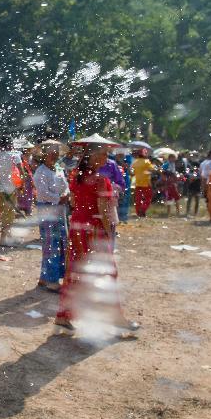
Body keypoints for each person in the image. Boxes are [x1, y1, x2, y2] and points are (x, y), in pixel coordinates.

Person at [54, 144, 139, 338]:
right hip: (94, 229)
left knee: (75, 272)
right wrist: (110, 233)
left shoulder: (76, 176)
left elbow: (74, 203)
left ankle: (63, 315)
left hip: (77, 227)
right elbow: (104, 211)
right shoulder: (101, 181)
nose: (105, 158)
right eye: (102, 155)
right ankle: (115, 319)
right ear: (92, 157)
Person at [33, 141, 69, 291]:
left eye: (56, 151)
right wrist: (58, 198)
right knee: (51, 244)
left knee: (60, 242)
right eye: (51, 151)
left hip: (59, 208)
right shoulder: (41, 171)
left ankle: (44, 277)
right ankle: (52, 280)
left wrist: (66, 193)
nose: (54, 154)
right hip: (47, 209)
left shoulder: (58, 169)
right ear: (44, 154)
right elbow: (42, 192)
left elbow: (65, 185)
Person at [0, 136, 23, 247]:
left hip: (0, 188)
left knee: (5, 213)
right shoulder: (15, 155)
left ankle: (7, 237)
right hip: (11, 188)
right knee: (9, 215)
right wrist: (21, 186)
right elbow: (22, 172)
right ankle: (3, 239)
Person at [130, 148, 156, 218]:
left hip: (137, 183)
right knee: (148, 198)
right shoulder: (146, 161)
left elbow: (132, 172)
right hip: (146, 183)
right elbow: (153, 169)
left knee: (138, 199)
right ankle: (143, 210)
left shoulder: (135, 162)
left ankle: (138, 212)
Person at [114, 149, 132, 223]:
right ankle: (117, 217)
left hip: (124, 179)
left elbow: (127, 167)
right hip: (116, 179)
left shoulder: (127, 157)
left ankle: (123, 217)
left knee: (125, 197)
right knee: (116, 198)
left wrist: (121, 160)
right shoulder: (112, 157)